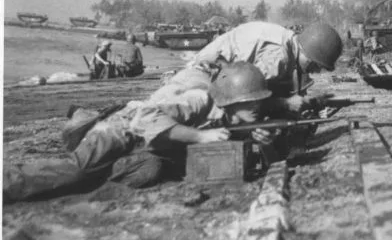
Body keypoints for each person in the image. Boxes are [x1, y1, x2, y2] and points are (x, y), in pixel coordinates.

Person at [3, 62, 277, 203]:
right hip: (121, 129)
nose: (257, 107)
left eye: (258, 101)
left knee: (148, 171)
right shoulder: (198, 99)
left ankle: (88, 179)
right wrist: (200, 137)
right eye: (251, 101)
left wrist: (260, 141)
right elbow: (147, 117)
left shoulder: (234, 119)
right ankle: (8, 182)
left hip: (144, 148)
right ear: (231, 100)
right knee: (75, 172)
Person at [148, 21, 344, 114]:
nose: (315, 72)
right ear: (309, 55)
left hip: (216, 75)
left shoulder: (285, 41)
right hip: (202, 82)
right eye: (316, 67)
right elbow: (248, 97)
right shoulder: (279, 58)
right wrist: (286, 103)